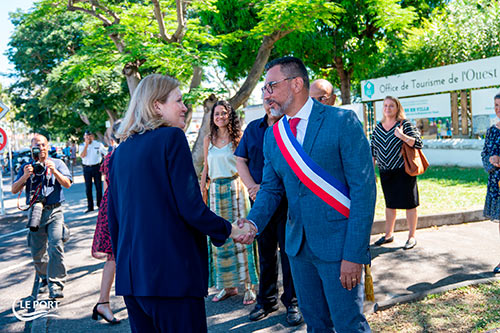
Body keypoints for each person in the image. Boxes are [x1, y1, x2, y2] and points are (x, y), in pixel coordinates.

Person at [236, 57, 376, 332]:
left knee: (349, 325)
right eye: (265, 89)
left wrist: (355, 254)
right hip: (298, 250)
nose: (266, 94)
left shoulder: (342, 121)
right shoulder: (273, 135)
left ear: (296, 83)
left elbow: (364, 190)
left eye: (270, 86)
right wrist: (253, 223)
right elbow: (271, 189)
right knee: (316, 325)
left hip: (339, 249)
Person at [107, 74, 250, 333]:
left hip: (133, 279)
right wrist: (231, 230)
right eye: (179, 101)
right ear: (156, 105)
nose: (185, 107)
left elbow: (114, 220)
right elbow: (191, 207)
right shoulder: (171, 138)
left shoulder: (120, 152)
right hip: (172, 276)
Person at [235, 100, 302, 325]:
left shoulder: (291, 126)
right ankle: (266, 300)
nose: (269, 104)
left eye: (273, 100)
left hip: (287, 203)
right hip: (260, 203)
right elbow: (240, 159)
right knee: (265, 253)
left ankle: (293, 302)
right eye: (266, 101)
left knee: (288, 253)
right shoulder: (254, 128)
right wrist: (251, 186)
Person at [200, 100, 259, 305]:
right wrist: (202, 191)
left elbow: (246, 165)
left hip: (236, 189)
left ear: (230, 115)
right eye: (216, 114)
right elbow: (206, 168)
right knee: (220, 238)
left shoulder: (238, 137)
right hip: (215, 191)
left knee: (242, 234)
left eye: (223, 113)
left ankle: (249, 287)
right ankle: (228, 286)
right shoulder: (208, 139)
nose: (220, 117)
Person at [12, 134, 72, 299]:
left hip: (54, 211)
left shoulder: (58, 163)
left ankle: (56, 285)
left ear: (47, 146)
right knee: (37, 251)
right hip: (35, 212)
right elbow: (14, 190)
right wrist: (25, 176)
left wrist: (54, 171)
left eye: (43, 145)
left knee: (55, 245)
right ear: (32, 148)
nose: (40, 148)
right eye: (36, 146)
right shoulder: (26, 166)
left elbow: (67, 183)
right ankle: (45, 277)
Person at [371, 96, 423, 250]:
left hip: (404, 171)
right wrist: (371, 171)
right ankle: (388, 235)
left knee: (410, 204)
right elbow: (373, 149)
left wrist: (402, 136)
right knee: (390, 204)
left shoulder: (404, 124)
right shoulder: (378, 127)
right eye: (385, 106)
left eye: (391, 106)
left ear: (397, 107)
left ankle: (412, 236)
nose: (388, 108)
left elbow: (418, 142)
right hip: (385, 172)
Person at [91, 120, 122, 325]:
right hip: (117, 206)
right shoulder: (117, 155)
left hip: (114, 205)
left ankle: (103, 302)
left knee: (116, 256)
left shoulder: (114, 154)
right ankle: (103, 302)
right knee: (114, 256)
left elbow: (106, 184)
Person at [481, 93, 500, 274]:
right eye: (496, 105)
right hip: (497, 184)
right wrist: (491, 161)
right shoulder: (492, 131)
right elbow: (484, 154)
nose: (498, 109)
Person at [79, 131, 107, 213]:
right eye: (86, 136)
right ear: (84, 137)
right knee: (88, 188)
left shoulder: (98, 144)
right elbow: (82, 155)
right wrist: (86, 145)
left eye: (89, 136)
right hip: (87, 168)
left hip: (96, 167)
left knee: (98, 187)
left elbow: (105, 154)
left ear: (93, 137)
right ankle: (90, 207)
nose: (88, 138)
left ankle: (100, 205)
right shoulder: (82, 145)